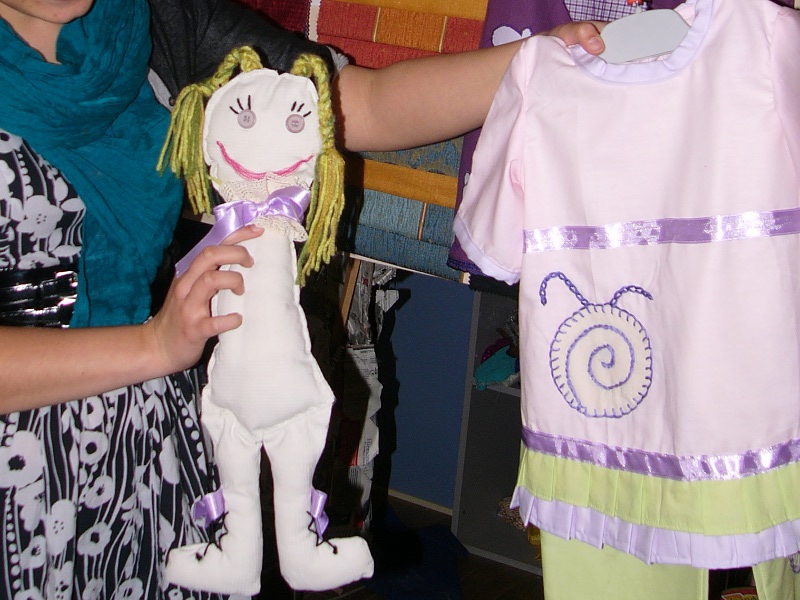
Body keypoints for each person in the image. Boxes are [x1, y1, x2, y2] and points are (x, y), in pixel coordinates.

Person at [0, 0, 604, 597]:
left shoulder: (145, 21)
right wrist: (153, 345)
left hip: (143, 436)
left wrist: (538, 58)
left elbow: (359, 104)